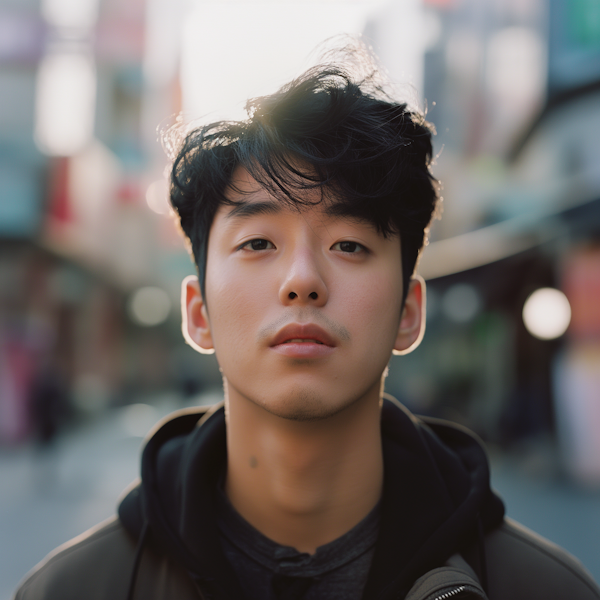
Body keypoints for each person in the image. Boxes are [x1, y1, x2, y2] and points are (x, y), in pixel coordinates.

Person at [14, 49, 600, 600]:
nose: (303, 280)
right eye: (258, 241)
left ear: (408, 313)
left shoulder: (543, 589)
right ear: (199, 313)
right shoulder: (78, 589)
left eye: (348, 244)